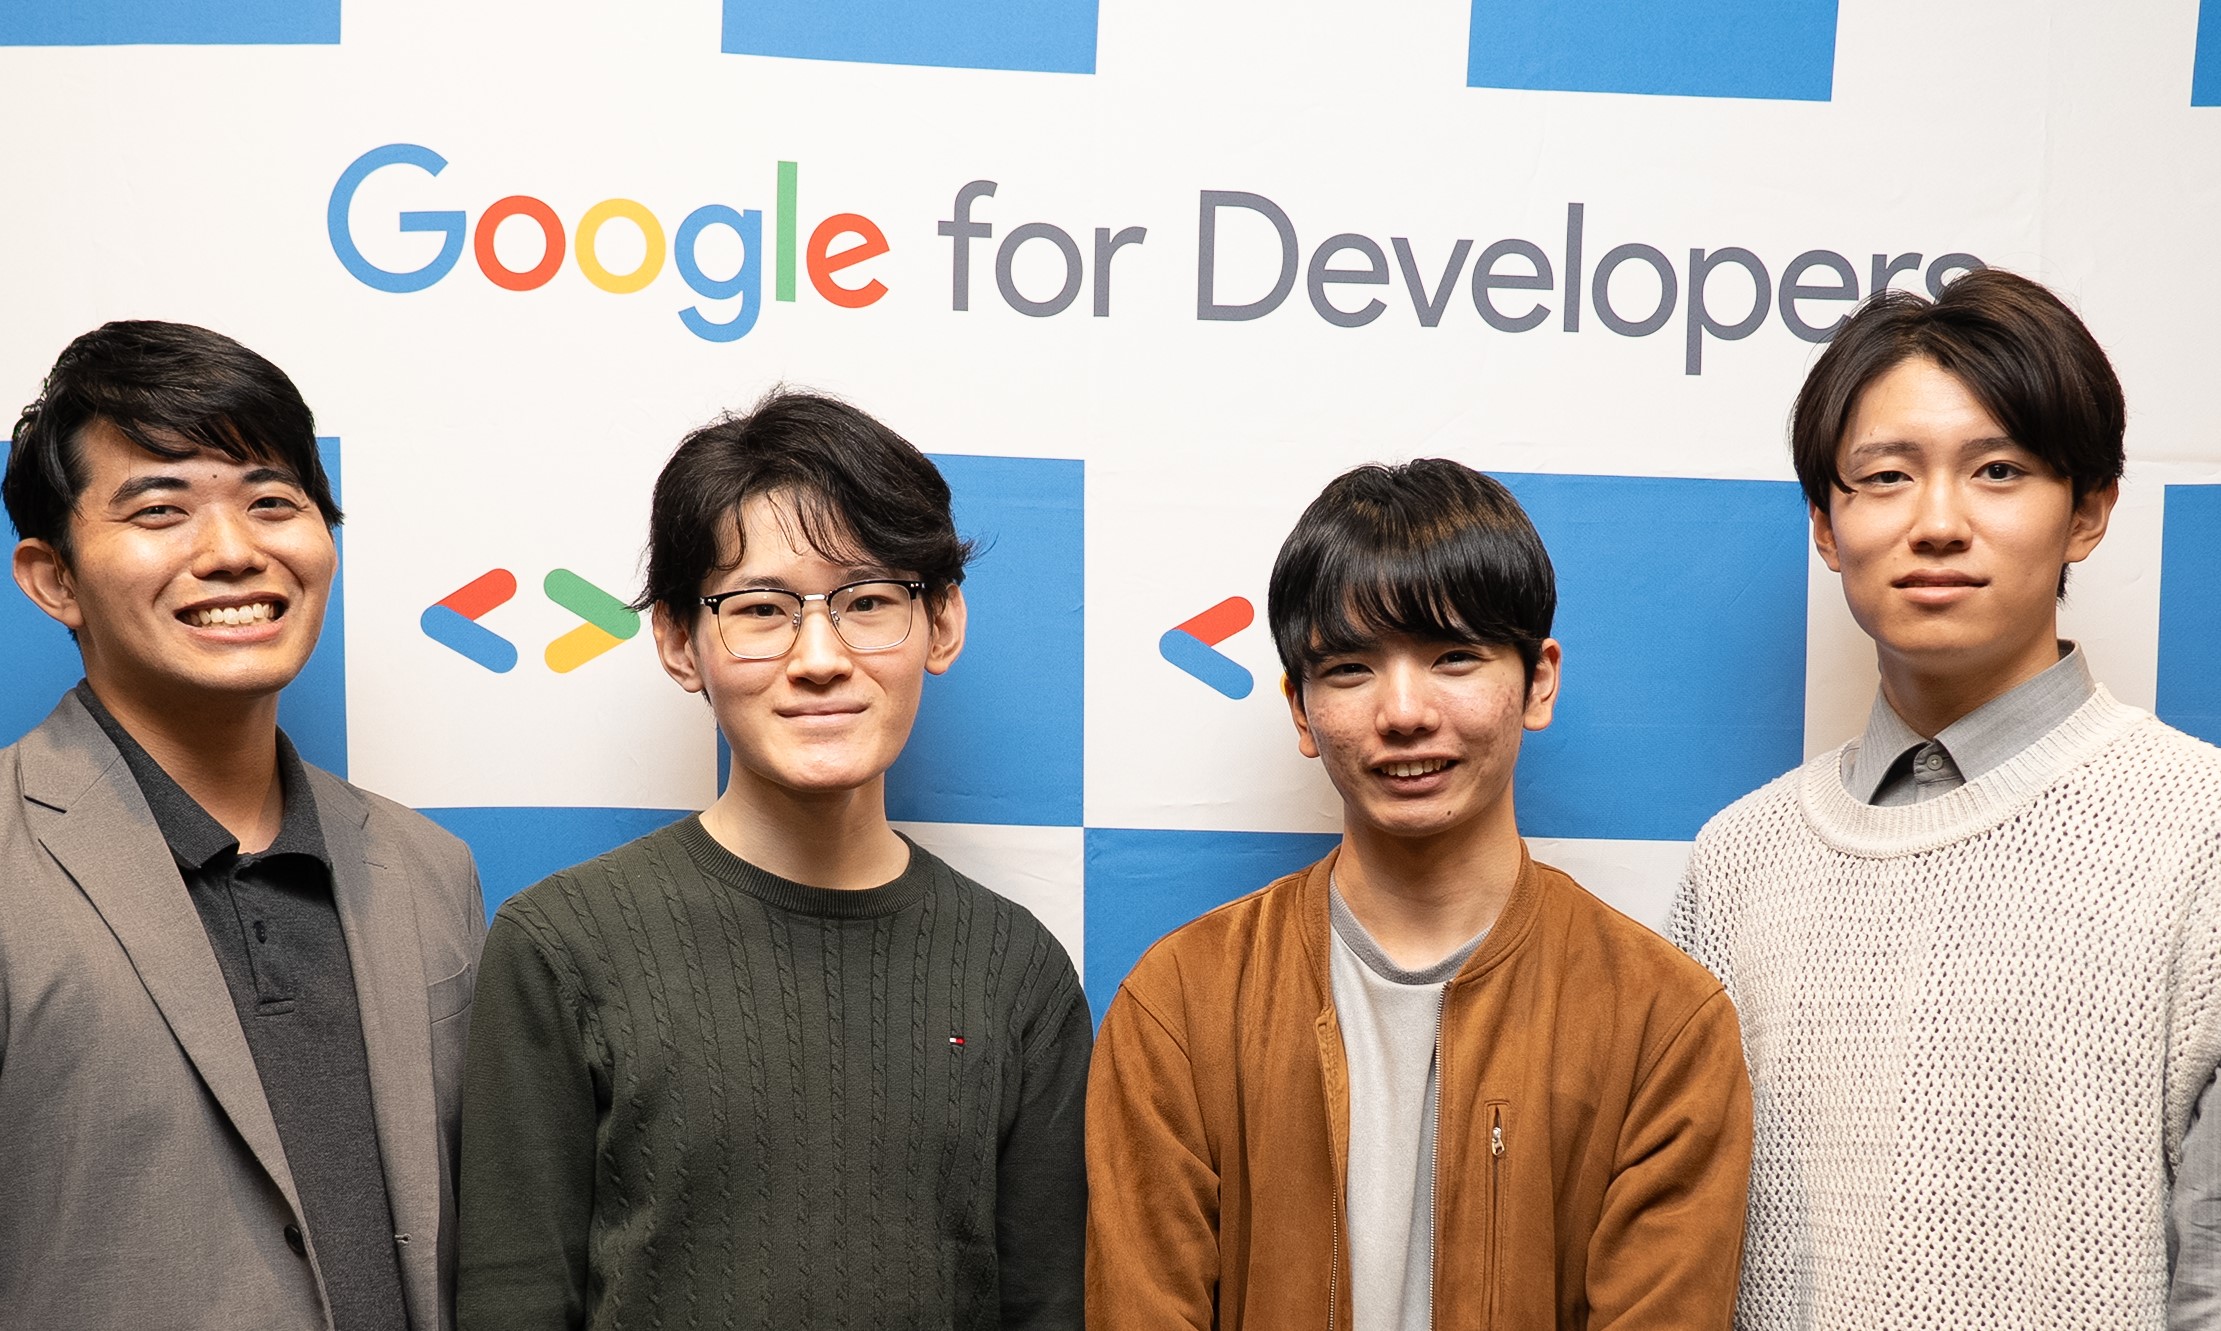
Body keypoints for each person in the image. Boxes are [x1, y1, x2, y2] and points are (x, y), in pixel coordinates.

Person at [456, 389, 1089, 1330]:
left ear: (943, 623)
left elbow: (1048, 1306)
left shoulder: (1016, 967)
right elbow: (513, 1301)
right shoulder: (560, 944)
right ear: (680, 642)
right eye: (760, 609)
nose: (819, 657)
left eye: (868, 601)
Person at [1671, 268, 2221, 1329]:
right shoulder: (1735, 862)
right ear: (1825, 525)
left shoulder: (2201, 832)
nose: (1935, 522)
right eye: (1884, 476)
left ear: (2088, 511)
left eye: (1996, 470)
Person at [1086, 459, 1754, 1330]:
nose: (1403, 711)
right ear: (1299, 709)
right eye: (1350, 668)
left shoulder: (1661, 1020)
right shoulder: (1181, 1001)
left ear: (1538, 680)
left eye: (1453, 657)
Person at [0, 320, 487, 1331]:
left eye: (272, 501)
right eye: (161, 509)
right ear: (54, 579)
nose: (232, 551)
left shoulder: (429, 867)